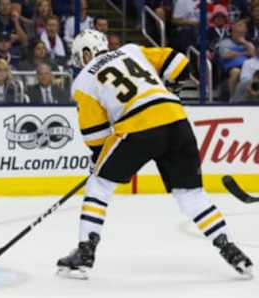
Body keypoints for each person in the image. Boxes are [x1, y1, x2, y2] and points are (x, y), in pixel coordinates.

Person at [56, 29, 253, 279]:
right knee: (191, 194)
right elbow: (179, 62)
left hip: (138, 128)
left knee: (99, 184)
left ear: (85, 54)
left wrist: (99, 161)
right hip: (176, 119)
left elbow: (96, 136)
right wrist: (171, 85)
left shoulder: (84, 80)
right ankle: (231, 250)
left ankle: (85, 254)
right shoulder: (131, 50)